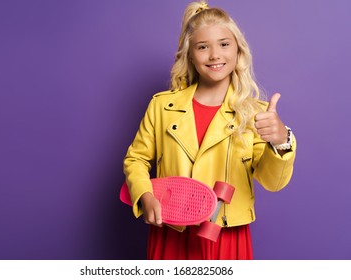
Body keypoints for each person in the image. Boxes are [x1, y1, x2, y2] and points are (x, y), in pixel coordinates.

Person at [123, 1, 296, 260]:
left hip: (226, 233)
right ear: (190, 54)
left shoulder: (256, 113)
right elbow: (136, 159)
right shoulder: (162, 106)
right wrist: (144, 196)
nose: (215, 55)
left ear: (238, 50)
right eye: (203, 47)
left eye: (224, 44)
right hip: (172, 229)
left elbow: (272, 182)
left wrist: (281, 140)